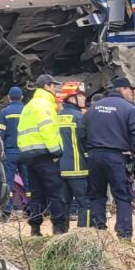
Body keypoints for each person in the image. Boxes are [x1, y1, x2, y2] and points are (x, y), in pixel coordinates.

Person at [82, 76, 135, 241]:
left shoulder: (93, 108)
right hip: (117, 156)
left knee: (96, 195)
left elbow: (80, 132)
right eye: (131, 90)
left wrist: (88, 151)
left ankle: (97, 233)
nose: (133, 94)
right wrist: (133, 150)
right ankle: (124, 235)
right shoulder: (129, 108)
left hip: (94, 156)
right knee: (122, 196)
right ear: (123, 89)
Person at [17, 74, 65, 236]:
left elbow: (21, 131)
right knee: (55, 192)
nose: (55, 89)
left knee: (36, 194)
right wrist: (56, 150)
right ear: (46, 86)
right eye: (53, 86)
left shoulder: (28, 106)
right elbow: (47, 128)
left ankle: (35, 229)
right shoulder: (45, 104)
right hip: (46, 155)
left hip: (30, 156)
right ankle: (58, 229)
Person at [55, 82, 90, 228]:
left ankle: (61, 233)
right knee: (85, 203)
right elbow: (86, 142)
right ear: (71, 98)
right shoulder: (80, 117)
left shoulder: (56, 117)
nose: (84, 98)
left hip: (59, 169)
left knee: (63, 203)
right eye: (80, 95)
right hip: (79, 168)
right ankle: (83, 234)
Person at [0, 86, 28, 217]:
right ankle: (32, 210)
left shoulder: (4, 112)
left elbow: (0, 135)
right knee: (28, 181)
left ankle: (7, 211)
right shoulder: (27, 111)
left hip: (10, 152)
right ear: (22, 97)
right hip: (26, 152)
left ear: (9, 97)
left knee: (8, 182)